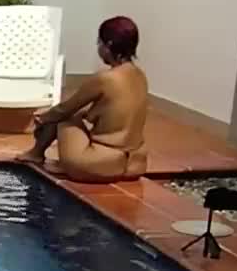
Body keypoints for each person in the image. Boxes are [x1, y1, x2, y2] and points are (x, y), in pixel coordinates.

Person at [18, 16, 149, 182]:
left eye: (99, 43)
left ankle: (36, 154)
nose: (98, 48)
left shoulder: (105, 78)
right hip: (135, 164)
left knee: (63, 116)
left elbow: (64, 110)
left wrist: (41, 118)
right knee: (72, 114)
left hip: (100, 163)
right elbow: (112, 109)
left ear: (108, 45)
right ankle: (57, 160)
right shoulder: (140, 76)